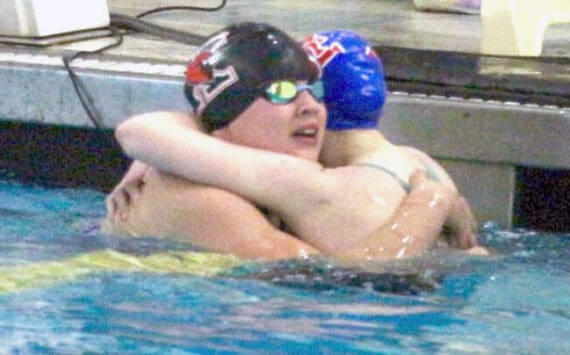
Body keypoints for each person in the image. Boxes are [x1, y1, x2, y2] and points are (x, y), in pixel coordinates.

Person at [109, 24, 483, 264]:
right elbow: (340, 279)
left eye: (314, 89)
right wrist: (431, 201)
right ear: (222, 124)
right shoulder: (206, 201)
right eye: (281, 92)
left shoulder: (256, 178)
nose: (310, 107)